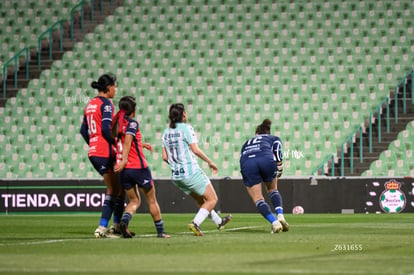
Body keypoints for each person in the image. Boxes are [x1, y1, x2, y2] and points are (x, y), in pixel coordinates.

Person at [161, 103, 231, 236]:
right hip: (190, 172)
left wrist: (177, 165)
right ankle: (195, 223)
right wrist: (210, 161)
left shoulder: (166, 133)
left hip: (176, 176)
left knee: (200, 200)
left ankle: (218, 222)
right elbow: (195, 150)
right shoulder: (186, 128)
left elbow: (165, 157)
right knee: (212, 199)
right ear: (183, 115)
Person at [113, 96, 170, 238]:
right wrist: (125, 159)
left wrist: (141, 145)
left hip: (124, 172)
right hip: (138, 168)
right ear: (133, 110)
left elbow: (124, 141)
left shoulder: (117, 123)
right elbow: (127, 141)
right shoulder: (132, 123)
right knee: (151, 200)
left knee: (134, 200)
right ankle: (161, 232)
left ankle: (124, 222)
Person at [80, 73, 124, 238]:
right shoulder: (107, 105)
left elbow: (83, 130)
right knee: (114, 190)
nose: (116, 89)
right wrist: (116, 144)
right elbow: (106, 129)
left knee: (118, 189)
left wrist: (93, 143)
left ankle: (116, 225)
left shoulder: (90, 104)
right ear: (109, 87)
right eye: (115, 85)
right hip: (104, 152)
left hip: (94, 151)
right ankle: (103, 227)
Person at [239, 118, 289, 234]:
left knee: (258, 198)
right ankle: (280, 215)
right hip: (266, 159)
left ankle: (274, 223)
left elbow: (242, 155)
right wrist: (279, 166)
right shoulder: (272, 138)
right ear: (267, 133)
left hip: (247, 163)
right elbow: (277, 149)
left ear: (256, 134)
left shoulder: (247, 142)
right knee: (272, 189)